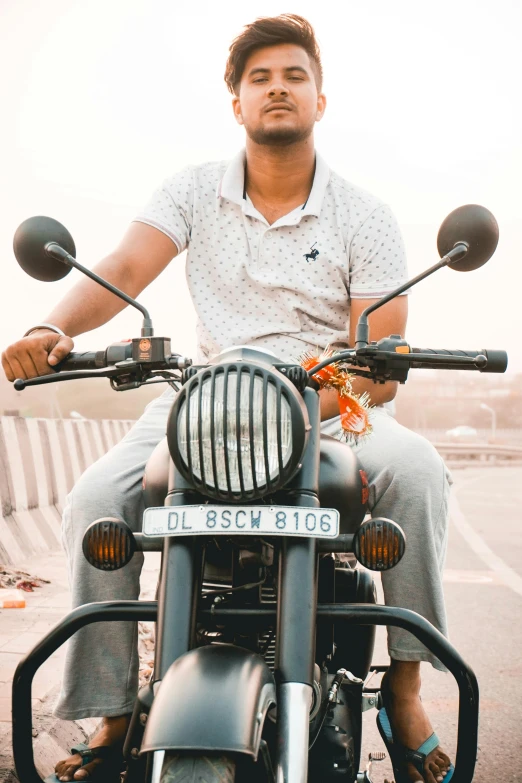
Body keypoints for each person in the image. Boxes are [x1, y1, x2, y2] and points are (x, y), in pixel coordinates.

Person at [2, 15, 452, 783]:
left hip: (323, 398)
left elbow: (380, 360)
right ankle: (113, 709)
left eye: (294, 76)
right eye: (260, 78)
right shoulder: (191, 191)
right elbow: (123, 268)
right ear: (237, 102)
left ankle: (405, 689)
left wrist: (331, 380)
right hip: (207, 396)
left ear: (320, 98)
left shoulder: (364, 215)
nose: (278, 88)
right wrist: (50, 324)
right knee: (94, 501)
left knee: (414, 470)